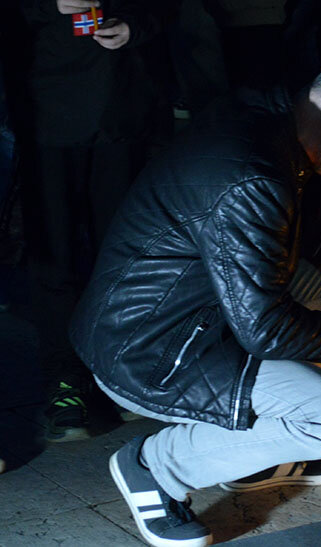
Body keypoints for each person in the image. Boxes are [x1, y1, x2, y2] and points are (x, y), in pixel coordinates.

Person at [69, 49, 321, 547]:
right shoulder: (251, 175)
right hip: (148, 348)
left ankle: (258, 456)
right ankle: (155, 467)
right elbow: (268, 330)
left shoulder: (284, 128)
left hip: (195, 314)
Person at [19, 0, 165, 441]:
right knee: (55, 256)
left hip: (122, 108)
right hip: (43, 107)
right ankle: (66, 383)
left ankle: (120, 376)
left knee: (122, 255)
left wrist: (135, 24)